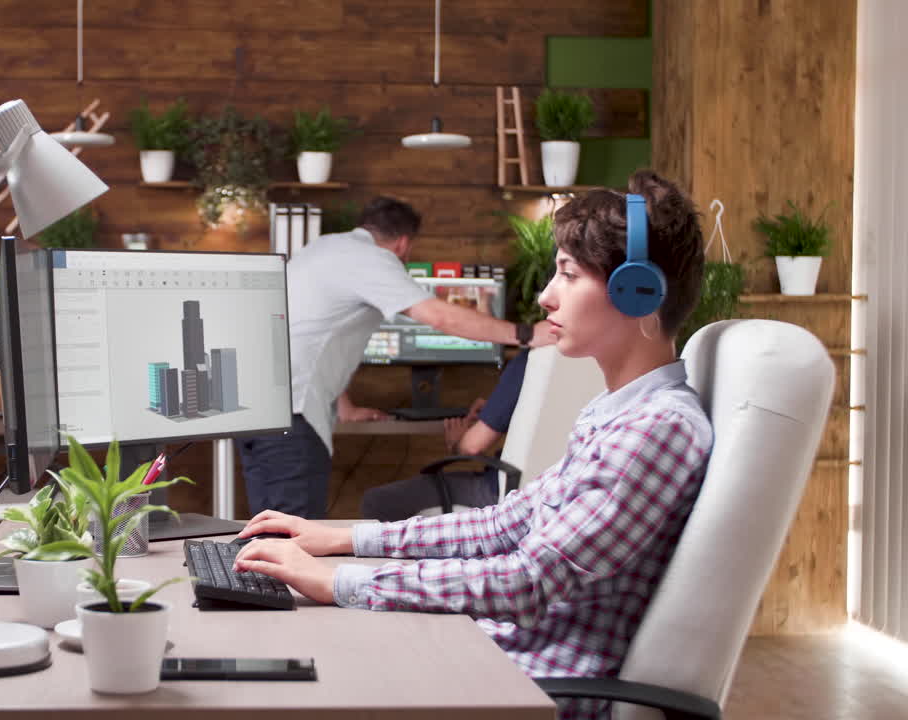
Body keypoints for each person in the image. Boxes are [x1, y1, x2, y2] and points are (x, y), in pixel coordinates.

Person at [231, 170, 712, 720]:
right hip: (497, 657)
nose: (544, 295)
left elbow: (527, 581)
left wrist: (337, 579)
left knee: (292, 674)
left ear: (636, 292)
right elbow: (501, 525)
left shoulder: (657, 429)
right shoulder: (617, 414)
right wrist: (339, 539)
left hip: (529, 686)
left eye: (568, 275)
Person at [236, 196, 554, 519]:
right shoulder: (371, 260)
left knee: (267, 532)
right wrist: (527, 335)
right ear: (403, 244)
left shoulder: (323, 249)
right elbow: (439, 317)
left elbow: (316, 333)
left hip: (260, 410)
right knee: (290, 534)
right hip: (293, 416)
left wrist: (345, 407)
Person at [358, 348, 530, 521]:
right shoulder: (554, 362)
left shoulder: (530, 359)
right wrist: (494, 409)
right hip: (541, 491)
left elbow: (471, 447)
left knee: (377, 502)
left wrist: (457, 441)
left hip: (500, 493)